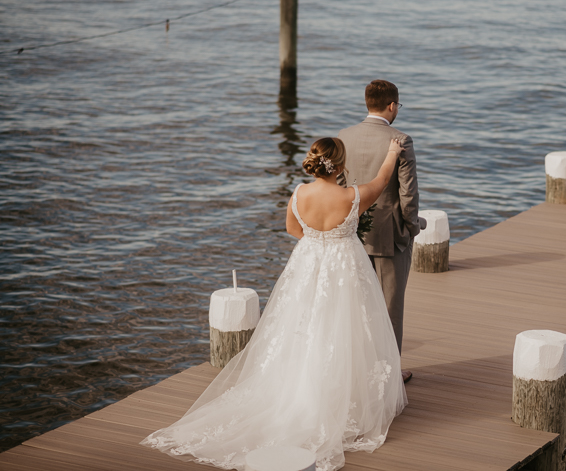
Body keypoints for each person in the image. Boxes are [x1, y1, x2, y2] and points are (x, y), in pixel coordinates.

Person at [141, 137, 408, 471]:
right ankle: (339, 400)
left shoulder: (298, 194)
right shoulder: (352, 196)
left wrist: (317, 242)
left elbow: (291, 228)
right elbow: (382, 180)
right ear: (340, 166)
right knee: (342, 330)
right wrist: (393, 152)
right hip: (344, 268)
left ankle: (298, 394)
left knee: (299, 330)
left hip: (307, 264)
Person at [338, 80, 425, 383]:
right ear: (391, 106)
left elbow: (338, 189)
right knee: (390, 308)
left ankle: (357, 368)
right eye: (398, 106)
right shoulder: (400, 139)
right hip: (391, 236)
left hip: (351, 235)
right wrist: (413, 228)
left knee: (357, 304)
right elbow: (408, 195)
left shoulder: (343, 138)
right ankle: (387, 374)